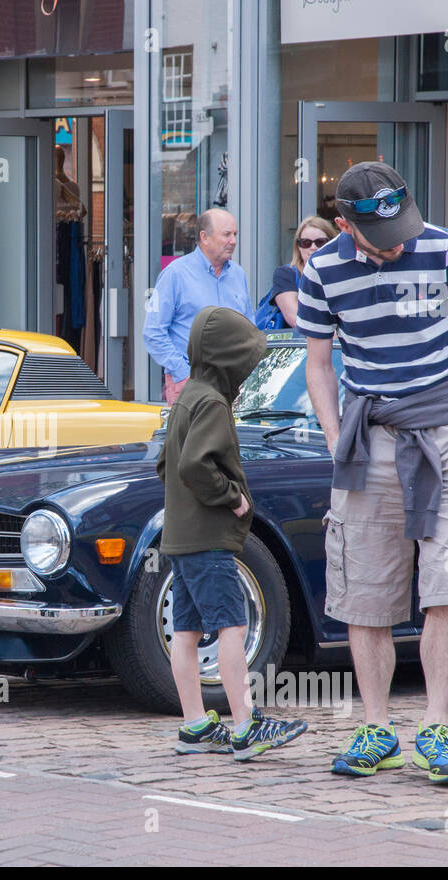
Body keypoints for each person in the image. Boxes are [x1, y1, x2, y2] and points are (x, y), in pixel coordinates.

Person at [299, 161, 448, 785]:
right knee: (366, 592)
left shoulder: (447, 249)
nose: (397, 241)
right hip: (371, 435)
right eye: (381, 232)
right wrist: (337, 439)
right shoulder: (323, 270)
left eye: (402, 225)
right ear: (344, 224)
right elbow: (317, 362)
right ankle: (378, 727)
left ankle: (436, 727)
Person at [157, 305, 309, 758]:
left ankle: (194, 724)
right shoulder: (213, 402)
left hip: (180, 538)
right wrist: (232, 496)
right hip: (208, 539)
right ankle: (244, 725)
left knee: (184, 633)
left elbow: (166, 464)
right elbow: (192, 465)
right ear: (230, 360)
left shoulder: (186, 396)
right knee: (233, 626)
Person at [143, 208, 253, 405]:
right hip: (190, 383)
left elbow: (249, 330)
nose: (233, 241)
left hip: (232, 385)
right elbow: (153, 332)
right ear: (204, 237)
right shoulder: (175, 274)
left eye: (235, 234)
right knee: (192, 437)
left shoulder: (238, 275)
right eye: (226, 234)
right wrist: (183, 374)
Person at [256, 216, 337, 330]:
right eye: (306, 243)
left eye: (320, 242)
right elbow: (295, 318)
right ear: (298, 247)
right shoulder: (286, 274)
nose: (313, 247)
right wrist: (334, 336)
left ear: (332, 244)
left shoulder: (343, 275)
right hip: (297, 345)